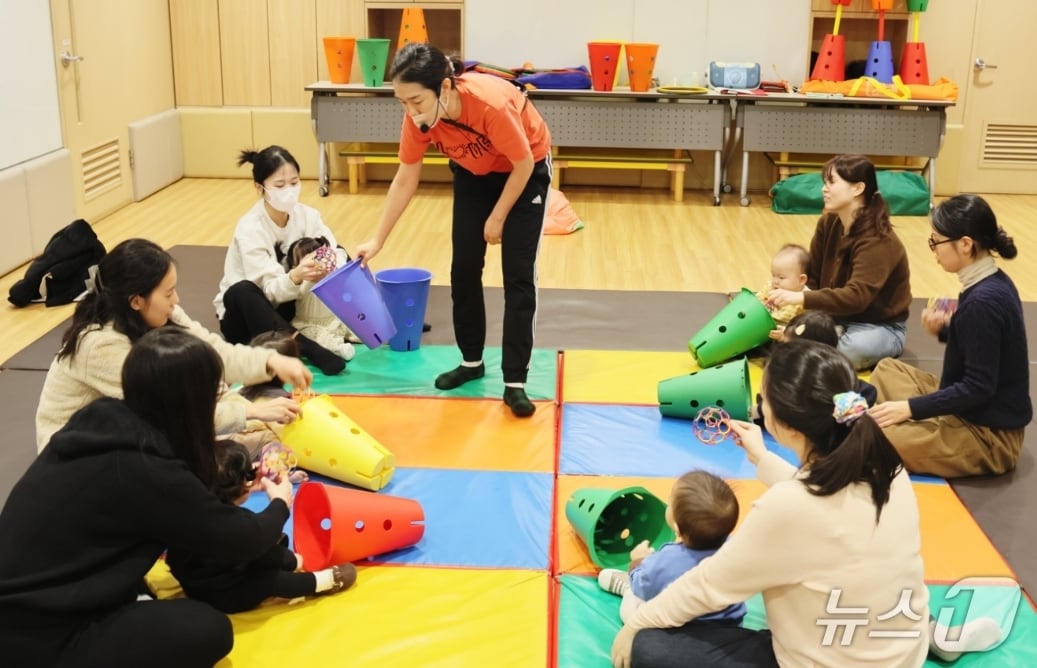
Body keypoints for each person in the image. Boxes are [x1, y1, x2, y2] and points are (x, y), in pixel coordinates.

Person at [611, 339, 930, 667]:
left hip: (827, 658)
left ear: (787, 426)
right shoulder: (887, 468)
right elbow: (825, 503)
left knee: (650, 646)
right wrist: (761, 457)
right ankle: (938, 632)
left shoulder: (786, 507)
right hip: (902, 651)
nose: (761, 407)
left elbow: (708, 585)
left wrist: (636, 625)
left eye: (765, 400)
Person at [0, 328, 294, 667]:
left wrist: (229, 487)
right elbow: (241, 539)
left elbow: (178, 496)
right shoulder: (147, 469)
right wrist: (280, 502)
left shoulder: (103, 422)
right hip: (38, 637)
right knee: (208, 629)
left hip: (26, 599)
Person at [355, 42, 553, 418]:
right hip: (474, 173)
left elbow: (523, 163)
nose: (410, 112)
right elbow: (405, 178)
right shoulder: (417, 118)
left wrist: (497, 217)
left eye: (415, 101)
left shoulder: (489, 105)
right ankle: (471, 361)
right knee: (463, 270)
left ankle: (515, 382)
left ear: (444, 87)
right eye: (402, 102)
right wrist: (377, 240)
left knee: (518, 277)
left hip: (523, 171)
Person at [34, 238, 308, 452]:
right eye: (168, 293)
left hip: (138, 424)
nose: (176, 300)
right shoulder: (99, 345)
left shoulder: (163, 313)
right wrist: (249, 411)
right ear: (136, 301)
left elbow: (212, 352)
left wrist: (270, 362)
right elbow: (166, 411)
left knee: (257, 429)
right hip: (79, 451)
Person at [869, 194, 1032, 478]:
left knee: (876, 439)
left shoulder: (983, 303)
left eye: (936, 242)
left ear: (966, 244)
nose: (934, 251)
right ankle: (915, 422)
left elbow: (978, 387)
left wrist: (910, 408)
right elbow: (987, 347)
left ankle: (910, 424)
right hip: (969, 411)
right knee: (887, 368)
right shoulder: (993, 281)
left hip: (989, 437)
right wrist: (946, 331)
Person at [166, 439, 356, 613]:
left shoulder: (191, 511)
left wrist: (249, 478)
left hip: (212, 572)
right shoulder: (233, 524)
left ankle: (289, 561)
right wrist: (281, 501)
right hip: (220, 594)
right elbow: (256, 533)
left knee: (279, 555)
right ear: (240, 486)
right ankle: (323, 582)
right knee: (269, 580)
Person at [214, 145, 351, 376]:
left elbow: (335, 251)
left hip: (291, 310)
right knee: (241, 291)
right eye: (279, 185)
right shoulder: (250, 227)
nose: (288, 190)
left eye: (294, 182)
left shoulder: (308, 216)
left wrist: (329, 261)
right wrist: (296, 275)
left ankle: (375, 319)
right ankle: (307, 347)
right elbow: (267, 291)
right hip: (251, 317)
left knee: (340, 251)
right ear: (260, 188)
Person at [766, 155, 911, 370]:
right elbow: (813, 277)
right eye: (825, 182)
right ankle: (814, 344)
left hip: (879, 325)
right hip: (834, 317)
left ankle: (811, 347)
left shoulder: (878, 239)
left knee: (853, 350)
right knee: (775, 330)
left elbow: (857, 297)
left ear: (857, 189)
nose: (824, 189)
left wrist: (799, 298)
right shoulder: (829, 222)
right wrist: (786, 293)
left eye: (832, 182)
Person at [597, 470, 746, 626]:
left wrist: (638, 562)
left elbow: (645, 588)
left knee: (632, 611)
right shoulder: (736, 550)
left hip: (678, 628)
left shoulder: (667, 561)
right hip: (729, 625)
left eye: (671, 501)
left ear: (676, 528)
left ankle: (628, 588)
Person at [284, 236, 358, 362]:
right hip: (309, 325)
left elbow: (341, 258)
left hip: (335, 320)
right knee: (321, 340)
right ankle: (338, 349)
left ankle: (379, 338)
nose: (313, 263)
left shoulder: (329, 274)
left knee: (357, 328)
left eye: (316, 257)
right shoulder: (301, 282)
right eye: (306, 260)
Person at [757, 243, 809, 329]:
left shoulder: (805, 300)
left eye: (781, 277)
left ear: (802, 280)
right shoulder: (770, 286)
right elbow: (758, 300)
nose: (775, 281)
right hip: (762, 324)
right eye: (773, 275)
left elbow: (803, 328)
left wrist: (786, 333)